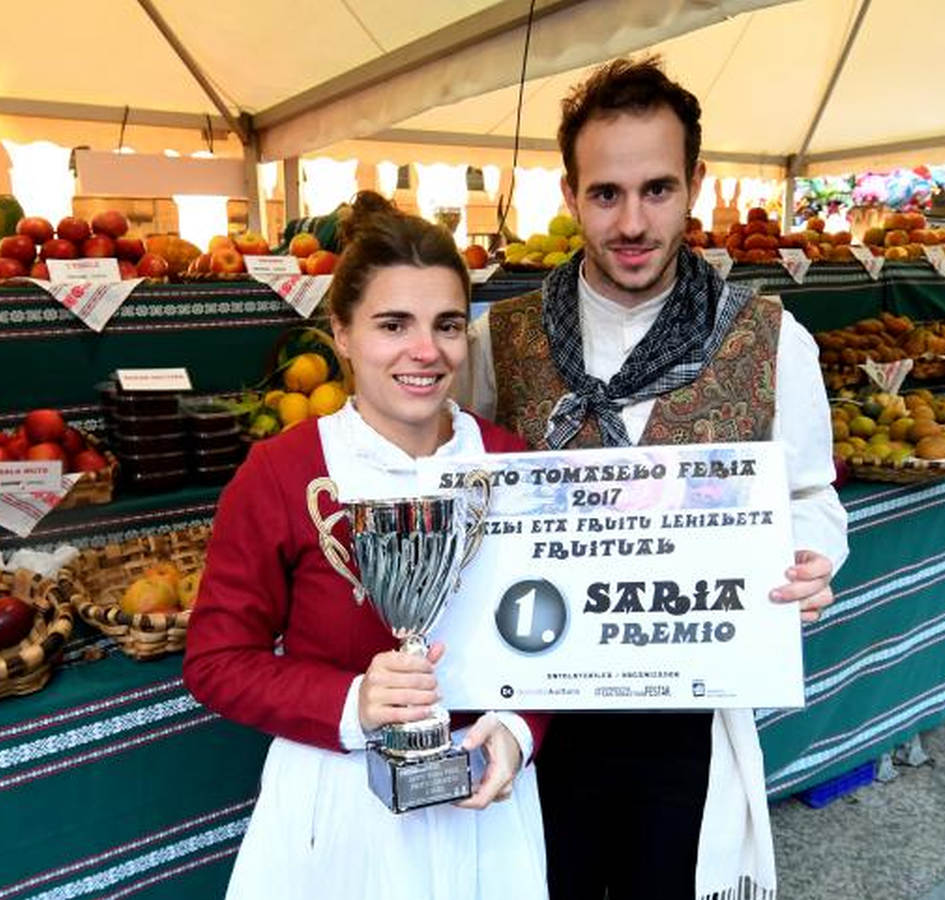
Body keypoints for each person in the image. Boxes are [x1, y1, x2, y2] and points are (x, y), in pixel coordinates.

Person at [464, 56, 849, 900]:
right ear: (568, 194)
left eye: (657, 190)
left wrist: (814, 555)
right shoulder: (507, 336)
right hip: (536, 704)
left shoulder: (770, 338)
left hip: (687, 709)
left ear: (694, 185)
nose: (631, 221)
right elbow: (467, 473)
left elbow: (811, 494)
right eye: (605, 194)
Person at [185, 198, 550, 900]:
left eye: (447, 326)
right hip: (338, 799)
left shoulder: (509, 463)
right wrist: (352, 701)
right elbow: (216, 661)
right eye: (392, 325)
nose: (426, 351)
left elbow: (547, 641)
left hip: (483, 797)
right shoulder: (282, 472)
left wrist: (516, 731)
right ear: (341, 335)